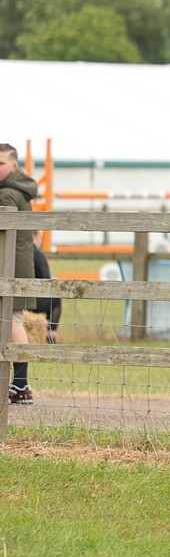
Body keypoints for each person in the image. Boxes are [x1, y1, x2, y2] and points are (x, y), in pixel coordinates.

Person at [0, 144, 38, 404]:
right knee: (13, 320)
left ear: (14, 166)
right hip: (18, 264)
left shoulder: (7, 196)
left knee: (12, 321)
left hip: (8, 266)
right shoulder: (20, 191)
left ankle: (21, 384)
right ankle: (20, 384)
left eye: (1, 163)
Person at [32, 244, 61, 344]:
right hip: (31, 301)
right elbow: (45, 279)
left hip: (14, 298)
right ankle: (51, 335)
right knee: (56, 301)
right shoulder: (37, 254)